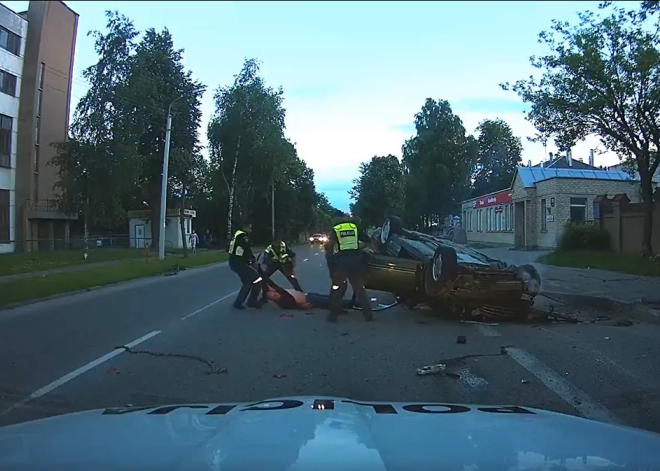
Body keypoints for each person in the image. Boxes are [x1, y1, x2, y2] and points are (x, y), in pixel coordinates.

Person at [326, 211, 373, 323]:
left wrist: (331, 266)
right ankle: (368, 315)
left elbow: (329, 249)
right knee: (359, 289)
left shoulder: (336, 229)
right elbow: (367, 240)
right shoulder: (354, 227)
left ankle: (333, 316)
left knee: (336, 288)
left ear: (338, 219)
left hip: (342, 262)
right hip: (356, 261)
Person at [228, 221, 263, 310]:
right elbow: (246, 248)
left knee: (248, 282)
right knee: (257, 279)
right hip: (239, 263)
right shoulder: (242, 236)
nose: (250, 230)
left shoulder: (237, 235)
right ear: (245, 227)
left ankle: (239, 302)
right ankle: (251, 301)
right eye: (249, 227)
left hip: (236, 262)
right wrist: (253, 259)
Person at [260, 236, 303, 302]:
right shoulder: (269, 250)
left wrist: (294, 267)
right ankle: (265, 296)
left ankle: (300, 293)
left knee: (291, 278)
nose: (278, 244)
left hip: (284, 264)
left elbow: (293, 255)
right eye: (277, 242)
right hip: (273, 265)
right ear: (273, 243)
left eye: (279, 242)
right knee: (264, 279)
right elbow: (265, 261)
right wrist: (265, 267)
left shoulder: (284, 246)